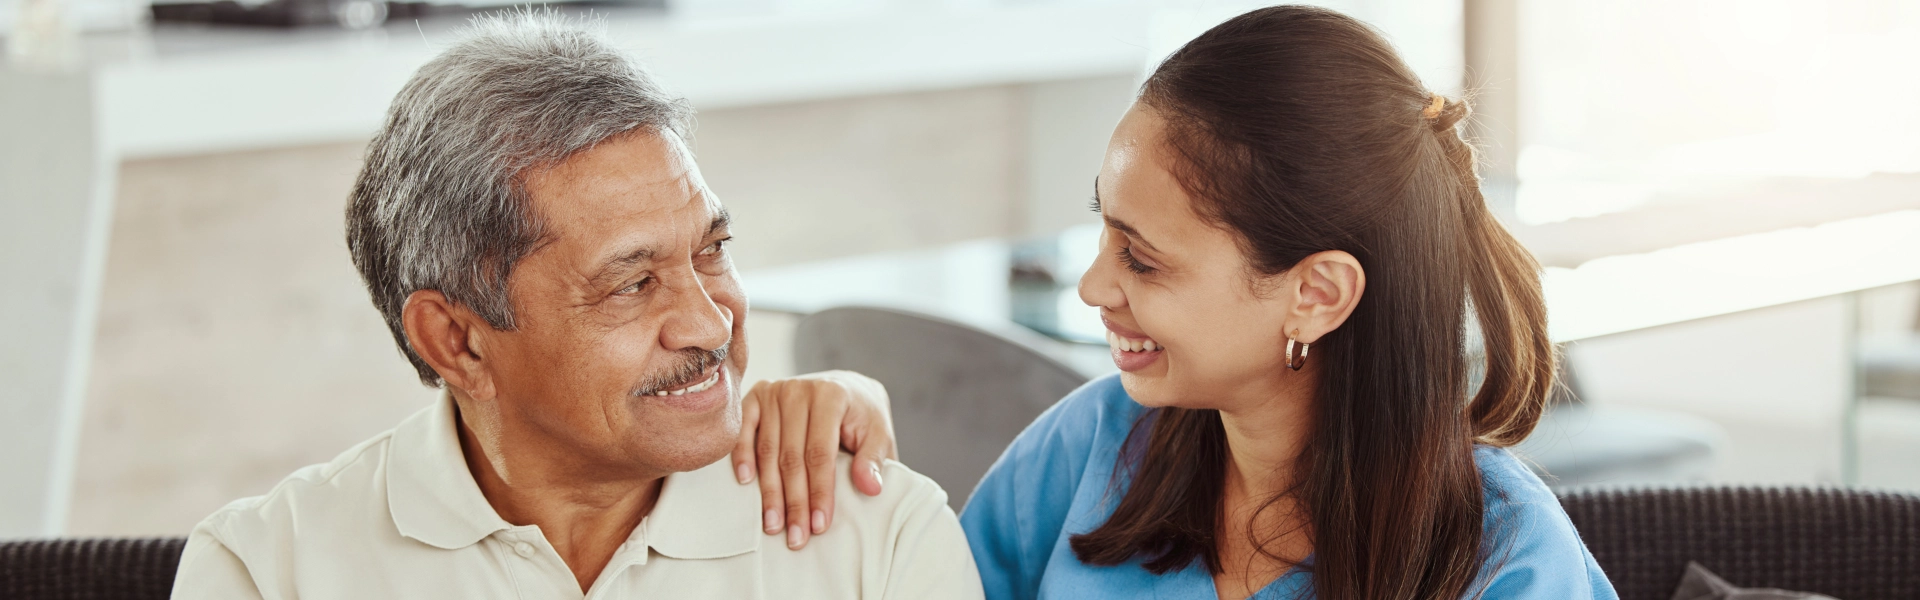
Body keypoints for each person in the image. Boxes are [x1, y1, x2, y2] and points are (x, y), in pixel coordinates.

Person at [737, 5, 1618, 599]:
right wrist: (856, 456)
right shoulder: (1095, 443)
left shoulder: (1507, 560)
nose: (1092, 288)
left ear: (1315, 294)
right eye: (1104, 231)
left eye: (1144, 261)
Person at [168, 11, 981, 600]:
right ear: (456, 342)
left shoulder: (880, 538)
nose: (711, 322)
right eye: (632, 283)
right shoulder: (266, 570)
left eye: (712, 252)